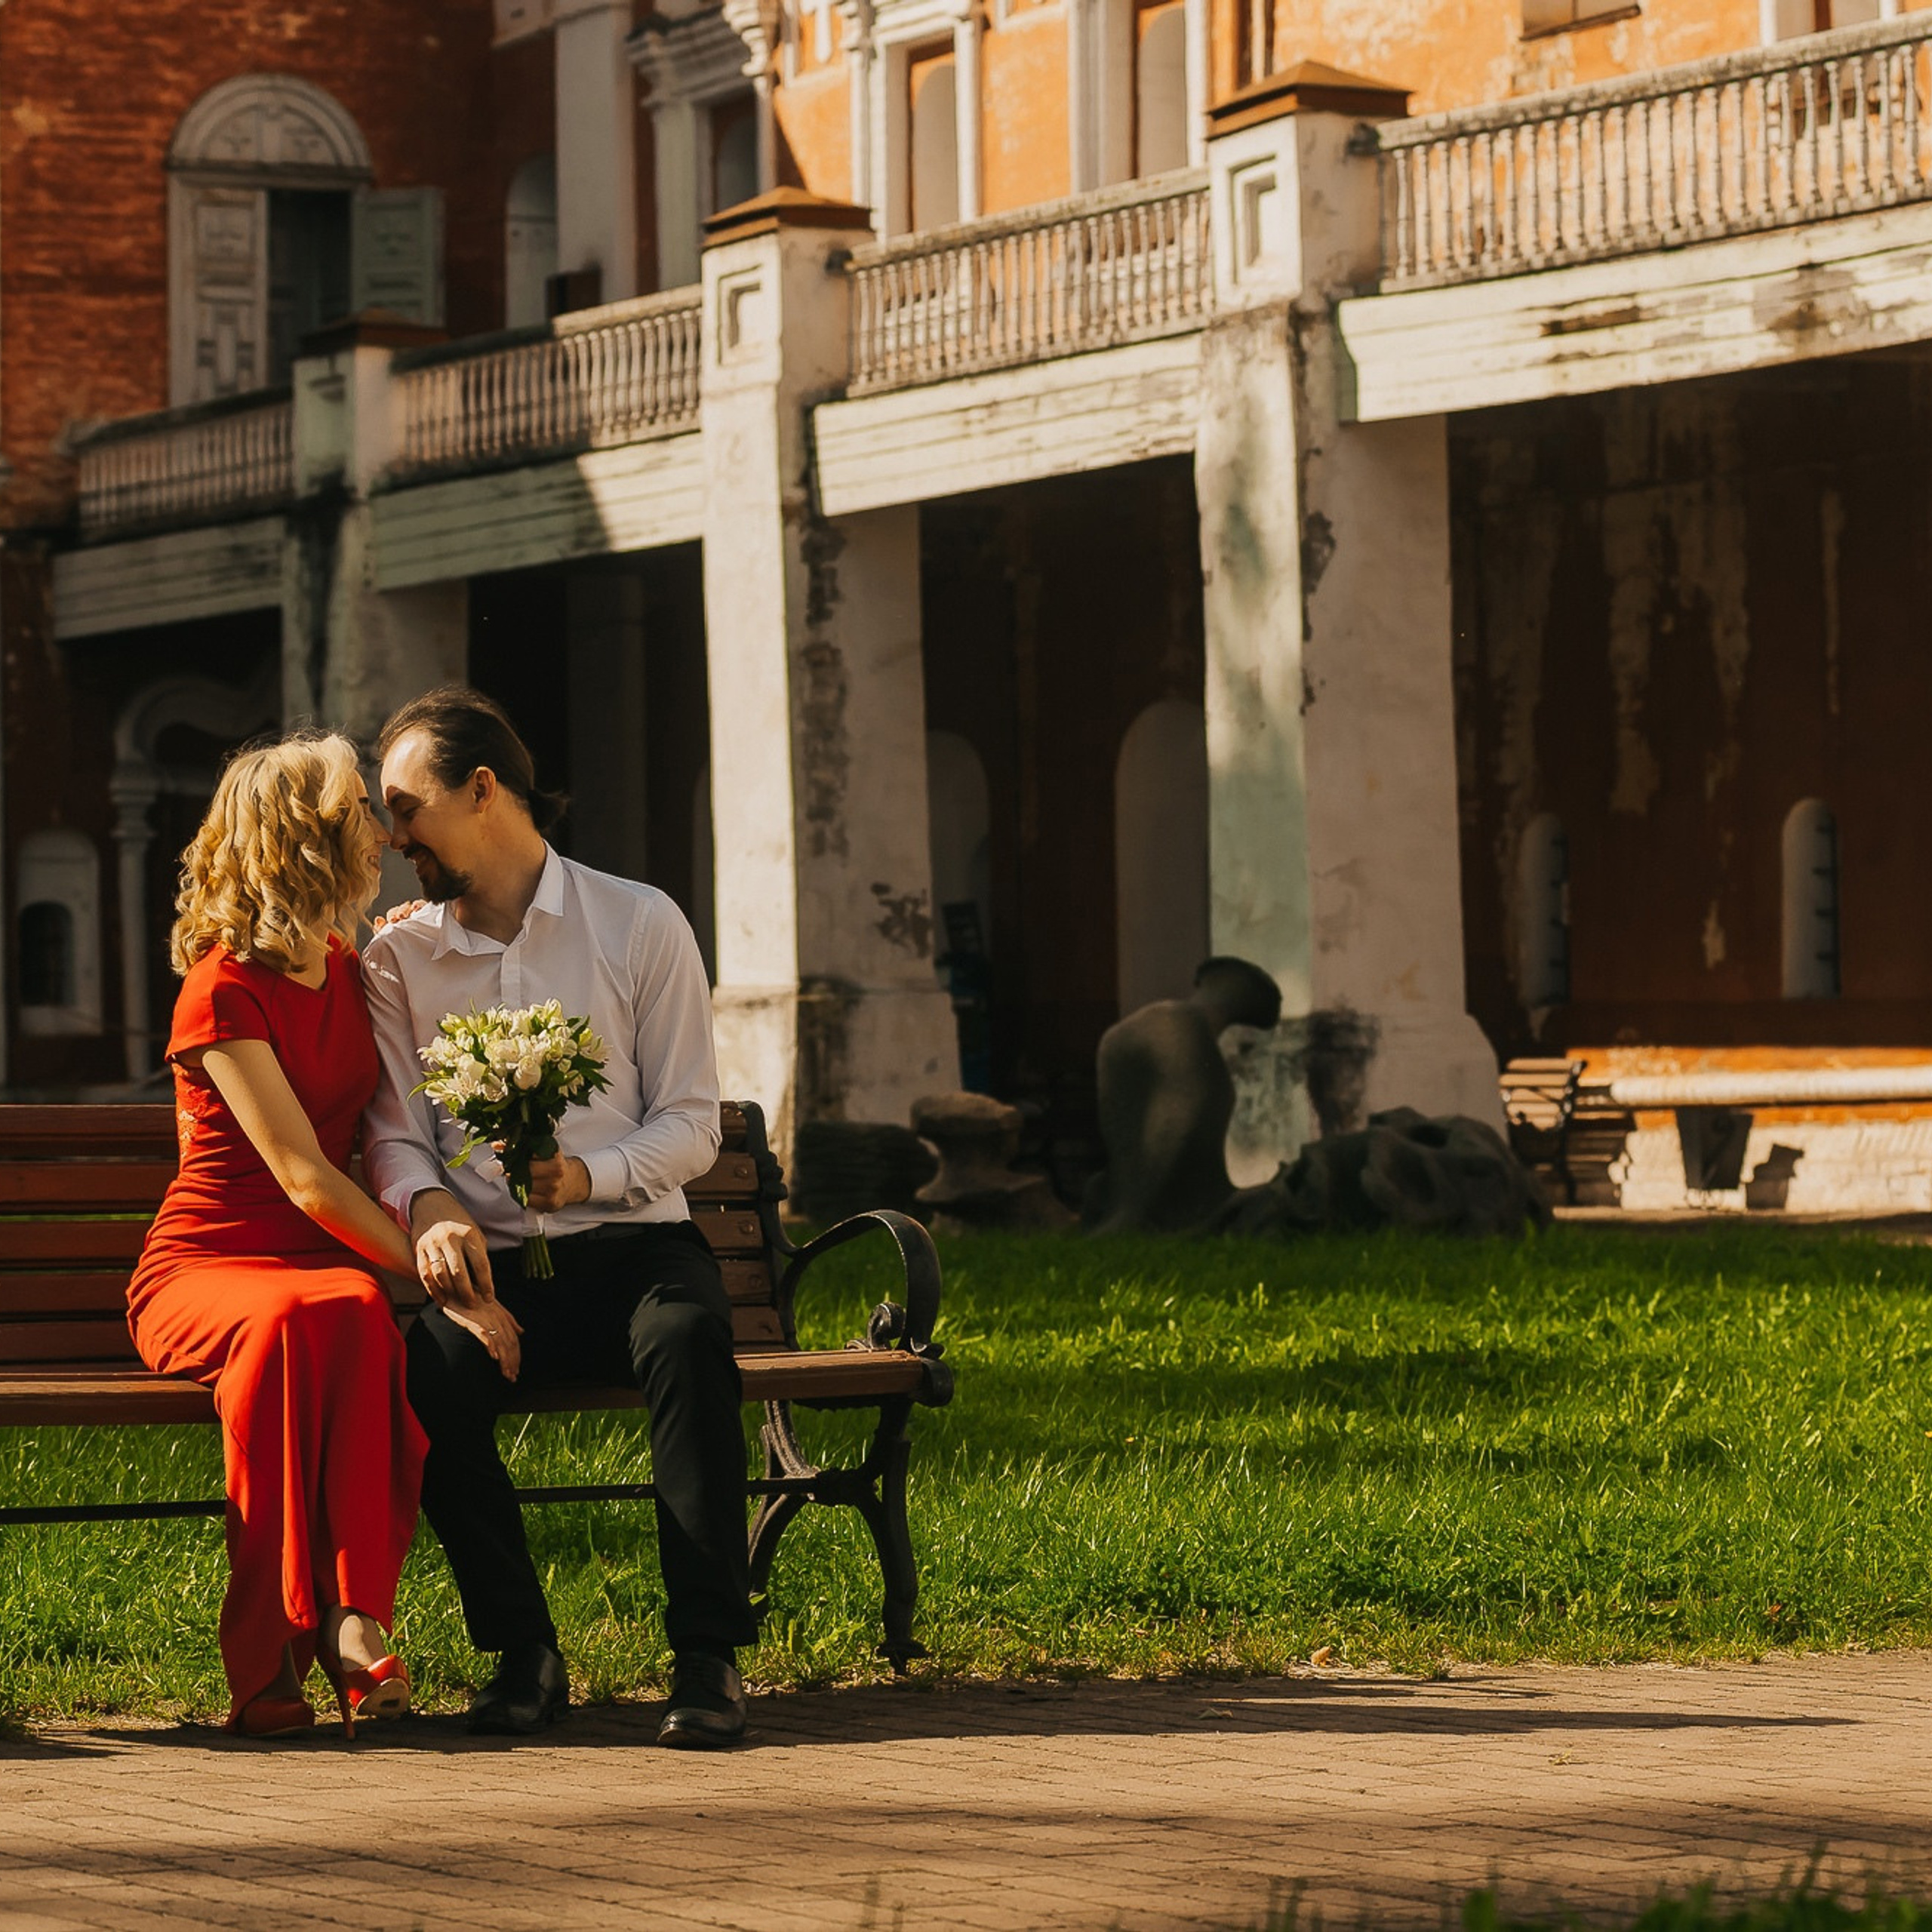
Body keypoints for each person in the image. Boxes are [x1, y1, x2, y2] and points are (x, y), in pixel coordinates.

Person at [361, 686, 755, 1747]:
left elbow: (691, 1123)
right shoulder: (397, 960)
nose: (394, 837)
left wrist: (589, 1177)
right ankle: (523, 1652)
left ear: (483, 790)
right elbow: (394, 1131)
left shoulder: (639, 921)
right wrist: (431, 1207)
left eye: (407, 808)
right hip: (492, 1277)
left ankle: (708, 1657)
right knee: (429, 1376)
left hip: (639, 1254)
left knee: (688, 1339)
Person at [127, 733, 452, 1739]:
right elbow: (306, 1177)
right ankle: (266, 1663)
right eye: (359, 812)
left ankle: (355, 1618)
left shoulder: (351, 965)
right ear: (305, 838)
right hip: (209, 1263)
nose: (381, 832)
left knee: (349, 1308)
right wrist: (439, 1272)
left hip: (319, 1269)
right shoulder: (221, 988)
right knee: (294, 1322)